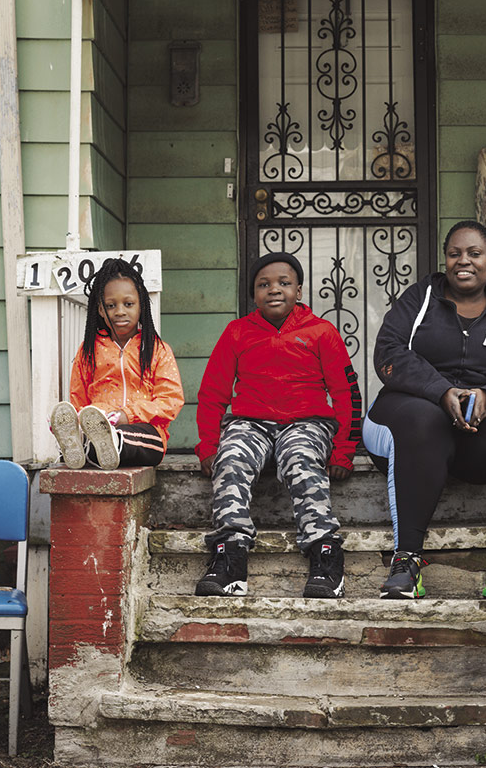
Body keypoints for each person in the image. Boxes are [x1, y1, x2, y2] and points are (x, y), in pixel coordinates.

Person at [363, 220, 486, 601]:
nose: (464, 261)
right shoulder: (419, 299)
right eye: (455, 253)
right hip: (409, 420)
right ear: (445, 259)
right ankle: (407, 561)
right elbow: (389, 354)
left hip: (477, 435)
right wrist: (440, 390)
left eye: (474, 254)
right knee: (423, 419)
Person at [194, 251, 361, 600]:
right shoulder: (237, 332)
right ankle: (230, 557)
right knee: (233, 456)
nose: (274, 290)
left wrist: (344, 450)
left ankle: (325, 553)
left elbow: (346, 394)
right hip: (250, 423)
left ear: (299, 290)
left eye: (284, 283)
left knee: (299, 456)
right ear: (253, 294)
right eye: (264, 285)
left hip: (307, 422)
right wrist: (209, 445)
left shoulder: (320, 332)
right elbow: (213, 392)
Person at [50, 257, 184, 471]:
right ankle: (79, 443)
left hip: (146, 434)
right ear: (101, 311)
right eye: (111, 305)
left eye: (128, 304)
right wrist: (75, 420)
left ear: (141, 305)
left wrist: (126, 416)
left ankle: (99, 444)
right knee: (95, 438)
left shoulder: (156, 349)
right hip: (98, 425)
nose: (120, 311)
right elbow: (78, 397)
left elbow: (171, 400)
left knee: (120, 439)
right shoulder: (89, 350)